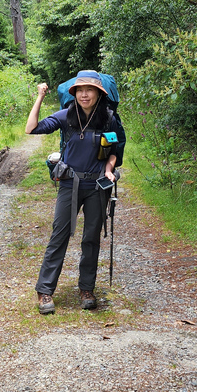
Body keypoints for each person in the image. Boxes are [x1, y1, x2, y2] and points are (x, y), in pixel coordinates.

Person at [25, 70, 125, 315]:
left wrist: (109, 169)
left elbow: (115, 151)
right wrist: (39, 96)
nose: (84, 94)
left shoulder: (109, 118)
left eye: (89, 90)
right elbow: (32, 128)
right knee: (58, 235)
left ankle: (87, 289)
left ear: (99, 93)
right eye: (80, 90)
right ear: (74, 93)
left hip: (96, 187)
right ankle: (45, 290)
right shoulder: (66, 116)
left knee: (91, 239)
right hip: (70, 184)